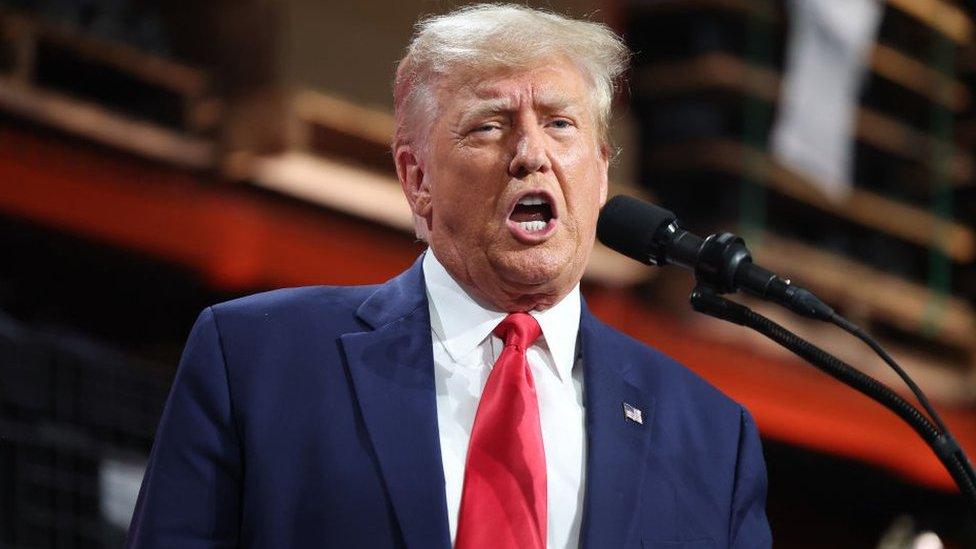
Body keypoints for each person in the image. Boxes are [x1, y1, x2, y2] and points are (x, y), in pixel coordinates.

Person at [126, 4, 771, 548]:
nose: (531, 155)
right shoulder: (255, 360)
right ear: (416, 180)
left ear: (600, 173)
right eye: (489, 126)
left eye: (560, 124)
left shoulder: (713, 439)